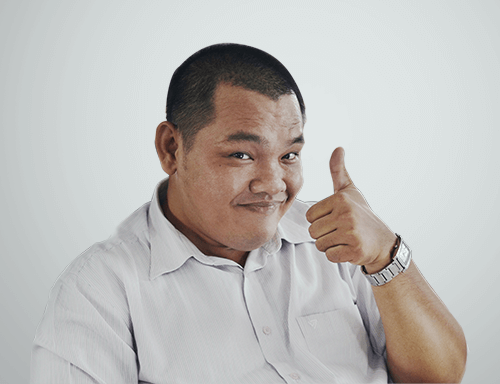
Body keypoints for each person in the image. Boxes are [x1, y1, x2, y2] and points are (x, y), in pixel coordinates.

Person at [31, 43, 467, 383]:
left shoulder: (337, 241)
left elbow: (439, 378)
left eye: (289, 155)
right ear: (171, 148)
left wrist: (386, 256)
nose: (274, 185)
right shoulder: (99, 288)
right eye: (241, 154)